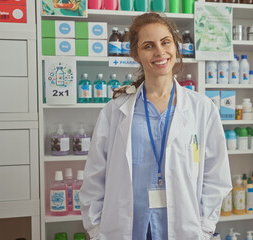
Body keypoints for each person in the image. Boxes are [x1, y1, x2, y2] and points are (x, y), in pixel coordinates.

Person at [80, 12, 232, 240]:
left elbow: (216, 176)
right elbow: (94, 177)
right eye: (148, 46)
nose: (160, 52)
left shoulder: (202, 109)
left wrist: (204, 228)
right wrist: (96, 230)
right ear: (136, 54)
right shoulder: (115, 111)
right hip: (124, 229)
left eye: (165, 42)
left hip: (183, 227)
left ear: (176, 46)